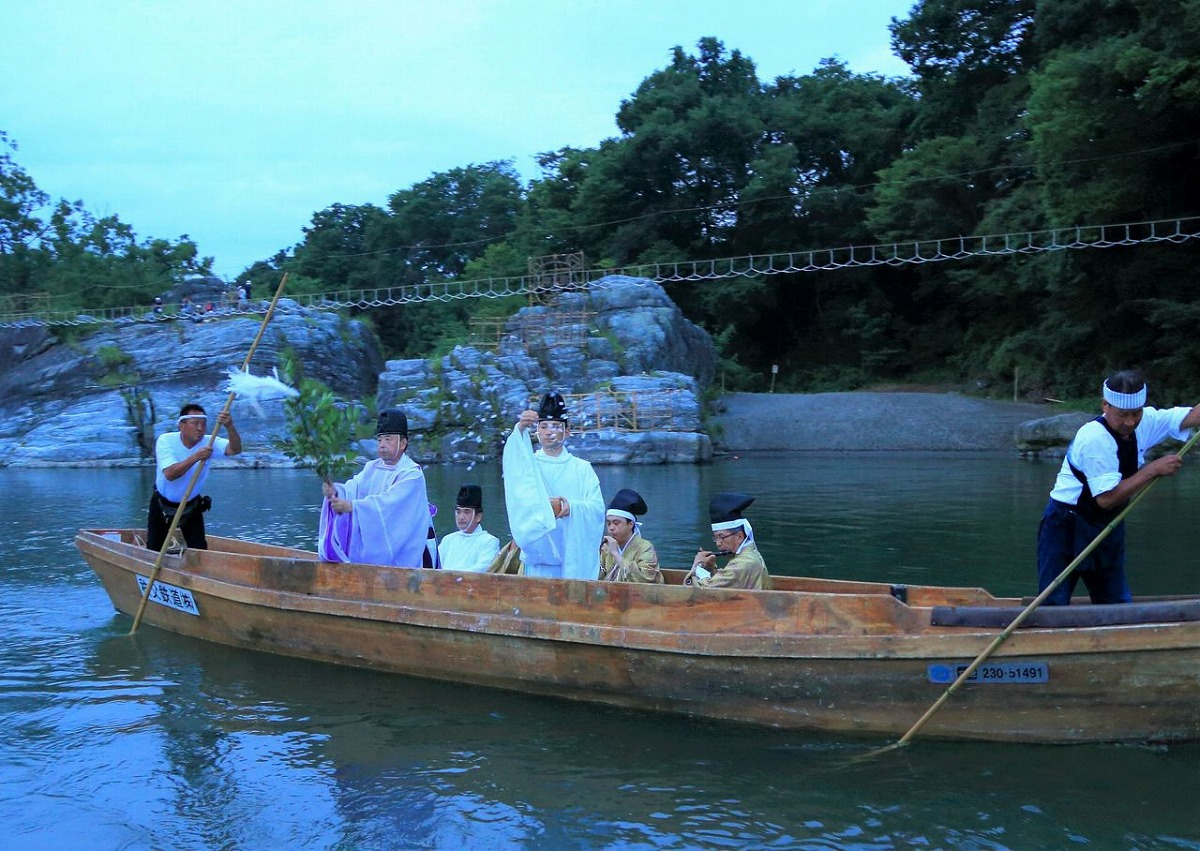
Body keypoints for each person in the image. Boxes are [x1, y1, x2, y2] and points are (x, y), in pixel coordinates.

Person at [1036, 369, 1200, 605]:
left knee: (1114, 602)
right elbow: (1106, 499)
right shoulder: (1094, 438)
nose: (1130, 422)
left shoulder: (1144, 422)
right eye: (1123, 415)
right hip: (1066, 525)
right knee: (1053, 602)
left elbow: (1192, 417)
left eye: (1136, 414)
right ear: (1105, 405)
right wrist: (1152, 470)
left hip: (1107, 523)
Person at [501, 391, 604, 580]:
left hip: (572, 562)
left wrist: (571, 507)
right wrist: (520, 429)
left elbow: (597, 509)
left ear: (567, 431)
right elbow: (513, 469)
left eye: (556, 426)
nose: (549, 432)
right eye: (544, 426)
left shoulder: (582, 468)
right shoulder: (528, 466)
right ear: (537, 431)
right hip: (537, 563)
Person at [318, 408, 435, 567]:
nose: (382, 445)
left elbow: (389, 504)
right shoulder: (372, 467)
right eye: (379, 440)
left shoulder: (412, 474)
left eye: (388, 439)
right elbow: (353, 488)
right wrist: (335, 491)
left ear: (403, 443)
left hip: (404, 554)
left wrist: (353, 506)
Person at [146, 403, 242, 551]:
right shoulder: (166, 440)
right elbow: (170, 474)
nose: (200, 428)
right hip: (162, 504)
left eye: (203, 424)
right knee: (154, 548)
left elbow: (235, 449)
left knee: (199, 550)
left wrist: (230, 426)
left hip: (191, 505)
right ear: (182, 426)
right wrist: (195, 457)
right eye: (195, 423)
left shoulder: (210, 442)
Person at [685, 492, 771, 590]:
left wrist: (698, 565)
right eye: (716, 538)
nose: (718, 543)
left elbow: (705, 592)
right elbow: (726, 582)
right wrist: (710, 568)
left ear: (739, 536)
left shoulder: (740, 565)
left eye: (722, 537)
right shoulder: (751, 555)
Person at [599, 488, 662, 583]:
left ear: (630, 524)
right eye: (608, 523)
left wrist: (616, 554)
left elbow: (645, 580)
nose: (611, 528)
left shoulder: (645, 548)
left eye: (616, 523)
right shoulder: (606, 548)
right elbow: (596, 576)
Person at [438, 483, 500, 572]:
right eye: (458, 512)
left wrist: (453, 577)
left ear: (478, 516)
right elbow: (436, 566)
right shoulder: (448, 540)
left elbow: (482, 569)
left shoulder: (489, 542)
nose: (461, 517)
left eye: (466, 512)